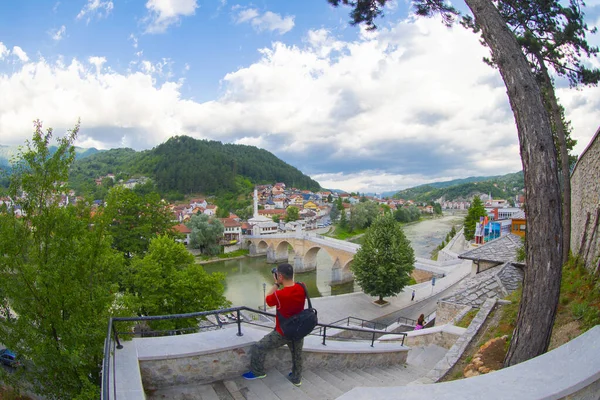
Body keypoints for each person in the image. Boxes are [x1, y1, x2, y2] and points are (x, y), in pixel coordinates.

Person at [243, 263, 306, 386]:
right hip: (299, 329)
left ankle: (258, 372)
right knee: (297, 355)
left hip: (283, 332)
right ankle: (296, 379)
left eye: (278, 274)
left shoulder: (280, 294)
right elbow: (295, 285)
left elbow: (268, 299)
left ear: (280, 276)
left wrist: (276, 283)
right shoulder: (302, 287)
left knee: (258, 347)